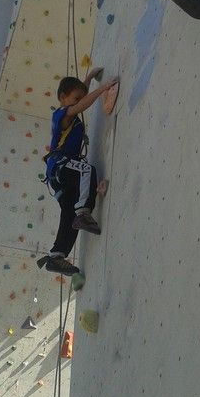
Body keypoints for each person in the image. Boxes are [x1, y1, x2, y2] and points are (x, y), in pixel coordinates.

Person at [37, 69, 118, 276]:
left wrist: (89, 79)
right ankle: (84, 212)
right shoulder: (61, 115)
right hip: (61, 165)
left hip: (58, 178)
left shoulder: (69, 113)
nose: (78, 102)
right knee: (87, 170)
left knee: (68, 215)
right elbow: (81, 104)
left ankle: (57, 255)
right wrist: (102, 89)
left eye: (80, 97)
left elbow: (80, 98)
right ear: (62, 98)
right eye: (74, 99)